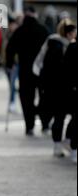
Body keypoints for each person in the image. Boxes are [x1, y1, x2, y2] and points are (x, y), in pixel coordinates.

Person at [33, 19, 76, 156]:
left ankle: (58, 144)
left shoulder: (51, 42)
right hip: (66, 87)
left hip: (54, 87)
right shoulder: (67, 46)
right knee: (68, 116)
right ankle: (66, 141)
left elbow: (41, 61)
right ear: (69, 33)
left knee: (60, 116)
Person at [6, 6, 49, 136]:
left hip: (24, 70)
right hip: (42, 70)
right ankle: (45, 122)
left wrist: (10, 63)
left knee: (26, 98)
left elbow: (10, 49)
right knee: (45, 96)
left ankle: (29, 125)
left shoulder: (19, 31)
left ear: (25, 15)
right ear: (35, 15)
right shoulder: (43, 30)